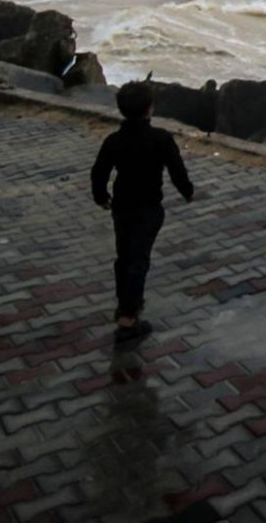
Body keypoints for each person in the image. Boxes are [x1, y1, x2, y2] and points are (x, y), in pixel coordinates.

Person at [90, 82, 194, 343]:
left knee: (124, 256)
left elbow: (99, 172)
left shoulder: (114, 140)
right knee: (139, 259)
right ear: (150, 109)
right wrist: (188, 192)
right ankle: (128, 316)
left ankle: (126, 301)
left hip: (122, 206)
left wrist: (101, 197)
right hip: (148, 208)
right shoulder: (161, 138)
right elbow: (177, 171)